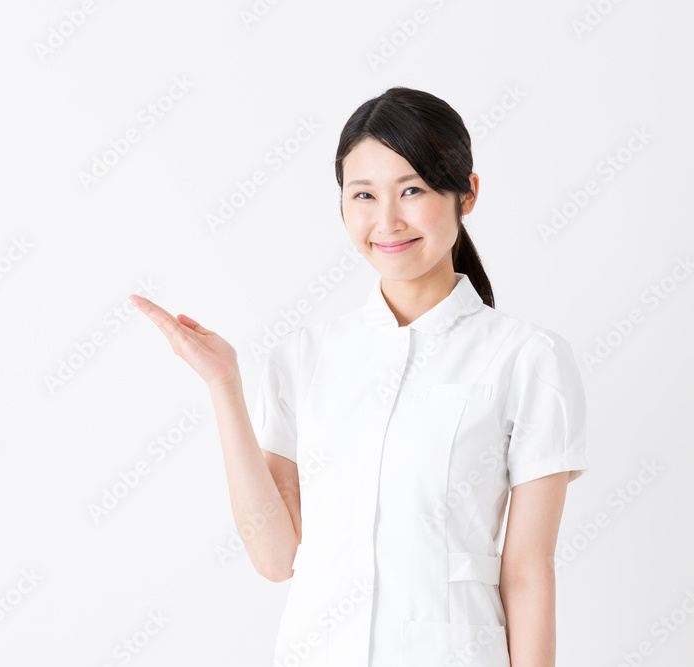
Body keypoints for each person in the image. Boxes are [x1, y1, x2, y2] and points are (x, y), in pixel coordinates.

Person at [128, 86, 588, 667]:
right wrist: (224, 386)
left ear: (466, 194)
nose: (386, 220)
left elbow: (526, 572)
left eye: (413, 190)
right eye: (364, 194)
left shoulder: (528, 359)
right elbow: (276, 558)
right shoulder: (302, 358)